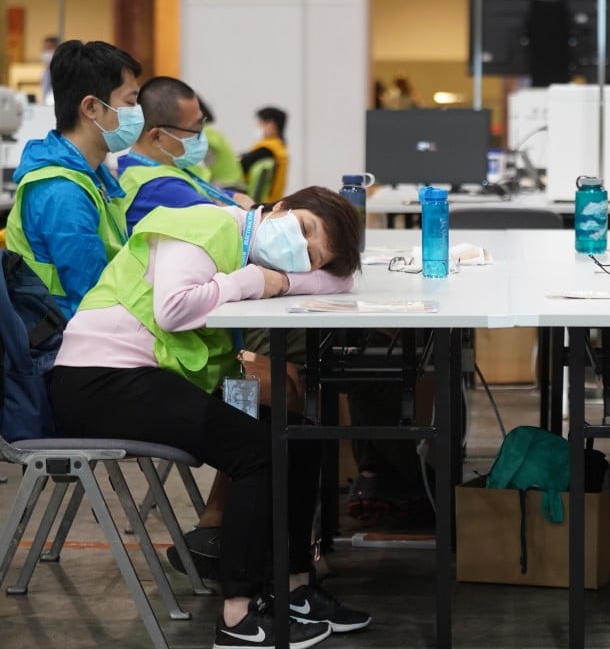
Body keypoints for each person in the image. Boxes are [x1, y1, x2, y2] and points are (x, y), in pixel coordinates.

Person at [49, 187, 371, 648]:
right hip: (99, 382)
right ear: (279, 207)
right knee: (256, 452)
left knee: (298, 434)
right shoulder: (206, 225)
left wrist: (284, 277)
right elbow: (173, 308)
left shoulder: (257, 253)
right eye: (302, 229)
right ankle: (238, 618)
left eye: (312, 256)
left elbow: (341, 283)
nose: (299, 251)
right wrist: (257, 281)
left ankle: (295, 587)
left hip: (148, 378)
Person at [6, 40, 141, 318]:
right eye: (130, 102)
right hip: (67, 345)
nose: (137, 114)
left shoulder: (92, 177)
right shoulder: (63, 192)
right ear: (91, 107)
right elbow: (93, 298)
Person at [116, 76, 255, 234]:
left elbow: (220, 196)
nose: (201, 136)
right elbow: (232, 227)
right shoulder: (158, 187)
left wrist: (237, 198)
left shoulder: (150, 167)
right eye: (195, 130)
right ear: (157, 137)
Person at [240, 106, 289, 202]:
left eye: (260, 123)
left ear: (272, 124)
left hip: (264, 202)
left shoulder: (268, 149)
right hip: (273, 201)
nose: (258, 127)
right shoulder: (279, 146)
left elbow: (242, 165)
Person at [197, 96, 247, 190]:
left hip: (225, 189)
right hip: (234, 185)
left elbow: (202, 169)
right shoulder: (212, 131)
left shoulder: (203, 134)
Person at [39, 35, 59, 104]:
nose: (46, 52)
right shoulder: (46, 72)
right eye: (45, 49)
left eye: (49, 48)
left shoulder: (62, 70)